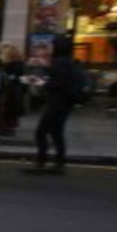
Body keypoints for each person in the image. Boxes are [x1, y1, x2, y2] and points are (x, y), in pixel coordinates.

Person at [25, 33, 76, 175]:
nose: (51, 47)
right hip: (63, 104)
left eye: (53, 45)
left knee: (41, 133)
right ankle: (59, 162)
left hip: (56, 104)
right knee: (56, 133)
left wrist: (42, 83)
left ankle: (42, 161)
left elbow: (58, 83)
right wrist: (46, 67)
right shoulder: (66, 61)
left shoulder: (60, 62)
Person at [0, 42, 26, 136]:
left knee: (6, 110)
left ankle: (5, 128)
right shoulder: (21, 65)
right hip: (17, 92)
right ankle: (10, 128)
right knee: (12, 112)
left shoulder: (7, 66)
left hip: (9, 92)